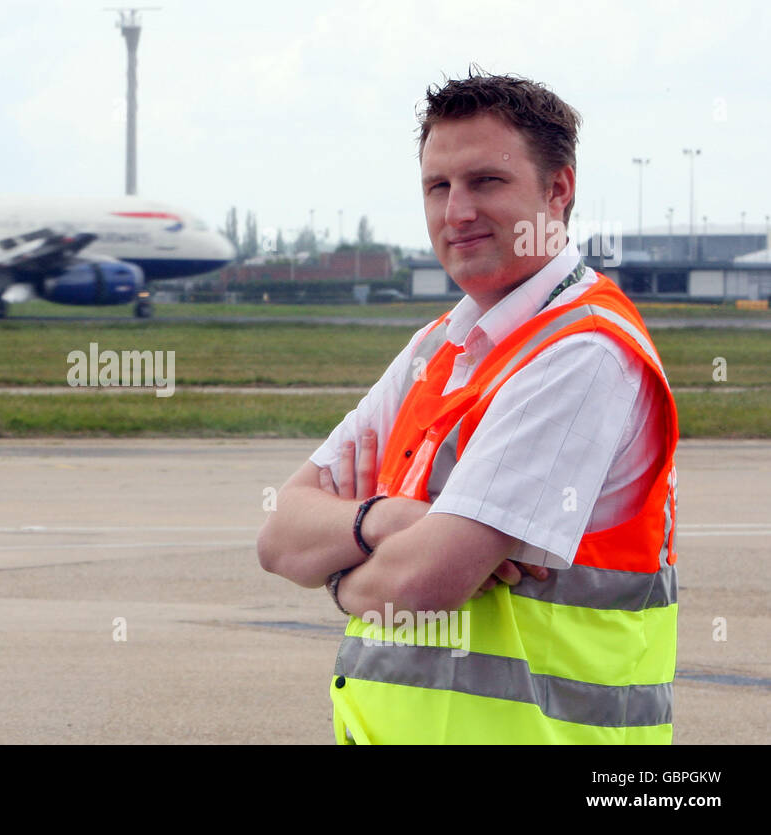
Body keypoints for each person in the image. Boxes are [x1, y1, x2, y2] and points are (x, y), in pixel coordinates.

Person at [256, 69, 679, 744]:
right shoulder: (438, 346)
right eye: (438, 187)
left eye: (486, 181)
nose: (456, 211)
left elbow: (425, 581)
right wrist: (388, 518)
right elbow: (278, 535)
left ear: (558, 189)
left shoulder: (587, 351)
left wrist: (338, 572)